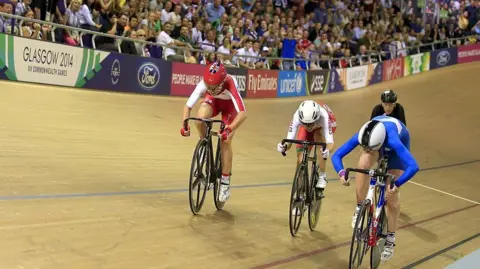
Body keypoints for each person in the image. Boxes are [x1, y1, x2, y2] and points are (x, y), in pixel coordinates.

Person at [331, 116, 419, 262]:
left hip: (397, 149)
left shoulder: (394, 141)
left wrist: (397, 184)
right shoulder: (363, 133)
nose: (367, 150)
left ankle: (390, 238)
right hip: (377, 140)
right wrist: (341, 173)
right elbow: (337, 155)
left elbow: (413, 166)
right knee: (363, 164)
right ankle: (360, 207)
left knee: (390, 193)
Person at [180, 62, 247, 202]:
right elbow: (187, 107)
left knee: (225, 140)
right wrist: (185, 124)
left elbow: (242, 114)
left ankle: (225, 182)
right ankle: (205, 143)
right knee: (199, 120)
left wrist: (229, 129)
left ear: (222, 83)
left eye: (213, 87)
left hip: (230, 108)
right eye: (207, 86)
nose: (209, 89)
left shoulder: (230, 83)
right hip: (213, 102)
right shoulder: (206, 83)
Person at [277, 100, 337, 213]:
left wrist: (327, 151)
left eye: (310, 124)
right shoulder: (297, 117)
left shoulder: (323, 117)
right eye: (305, 124)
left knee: (319, 139)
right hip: (312, 122)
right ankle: (299, 195)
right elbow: (289, 141)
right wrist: (284, 146)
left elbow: (330, 143)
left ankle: (322, 175)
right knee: (300, 159)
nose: (308, 126)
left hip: (324, 126)